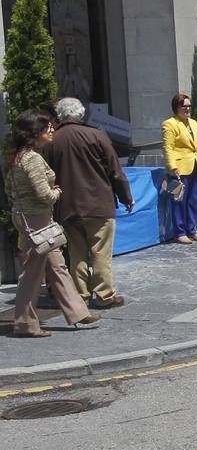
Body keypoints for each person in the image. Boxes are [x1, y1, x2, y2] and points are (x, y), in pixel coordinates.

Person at [5, 111, 100, 337]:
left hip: (30, 217)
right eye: (47, 127)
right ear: (34, 132)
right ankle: (26, 324)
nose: (51, 130)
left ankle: (78, 312)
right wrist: (56, 192)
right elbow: (44, 195)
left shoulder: (17, 157)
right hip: (37, 220)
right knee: (31, 274)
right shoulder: (33, 159)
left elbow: (10, 191)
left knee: (57, 267)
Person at [46, 97, 133, 309]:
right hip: (98, 204)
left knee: (77, 253)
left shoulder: (52, 141)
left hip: (67, 206)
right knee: (100, 252)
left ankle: (80, 296)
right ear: (81, 114)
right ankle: (105, 295)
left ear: (60, 115)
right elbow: (115, 171)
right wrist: (126, 197)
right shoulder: (96, 135)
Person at [161, 92, 197, 244]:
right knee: (178, 200)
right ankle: (179, 232)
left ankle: (192, 230)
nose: (187, 109)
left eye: (189, 106)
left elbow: (194, 144)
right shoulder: (170, 124)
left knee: (193, 200)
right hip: (179, 168)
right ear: (176, 107)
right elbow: (168, 147)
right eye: (183, 106)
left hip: (194, 166)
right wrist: (172, 167)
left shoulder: (193, 123)